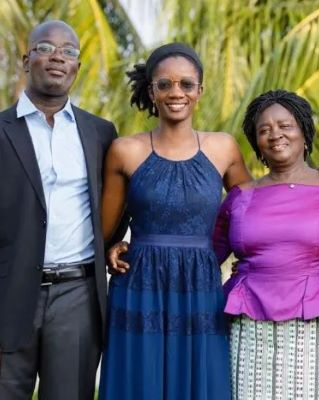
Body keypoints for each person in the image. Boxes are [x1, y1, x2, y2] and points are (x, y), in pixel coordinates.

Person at [0, 20, 126, 399]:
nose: (57, 57)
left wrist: (113, 244)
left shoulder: (100, 133)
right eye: (45, 48)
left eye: (69, 51)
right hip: (6, 305)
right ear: (26, 59)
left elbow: (114, 208)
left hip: (78, 300)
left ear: (77, 67)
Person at [98, 43, 251, 400]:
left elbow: (254, 211)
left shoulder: (223, 148)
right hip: (139, 285)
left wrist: (315, 175)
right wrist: (114, 247)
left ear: (200, 90)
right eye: (164, 84)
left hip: (200, 285)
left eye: (185, 84)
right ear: (151, 91)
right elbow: (104, 230)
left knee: (200, 384)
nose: (175, 92)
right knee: (140, 384)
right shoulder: (125, 150)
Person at [213, 90, 319, 399]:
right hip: (248, 329)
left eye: (285, 125)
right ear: (256, 142)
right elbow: (205, 253)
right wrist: (132, 247)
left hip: (318, 327)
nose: (275, 135)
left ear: (304, 130)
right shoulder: (241, 196)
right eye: (264, 130)